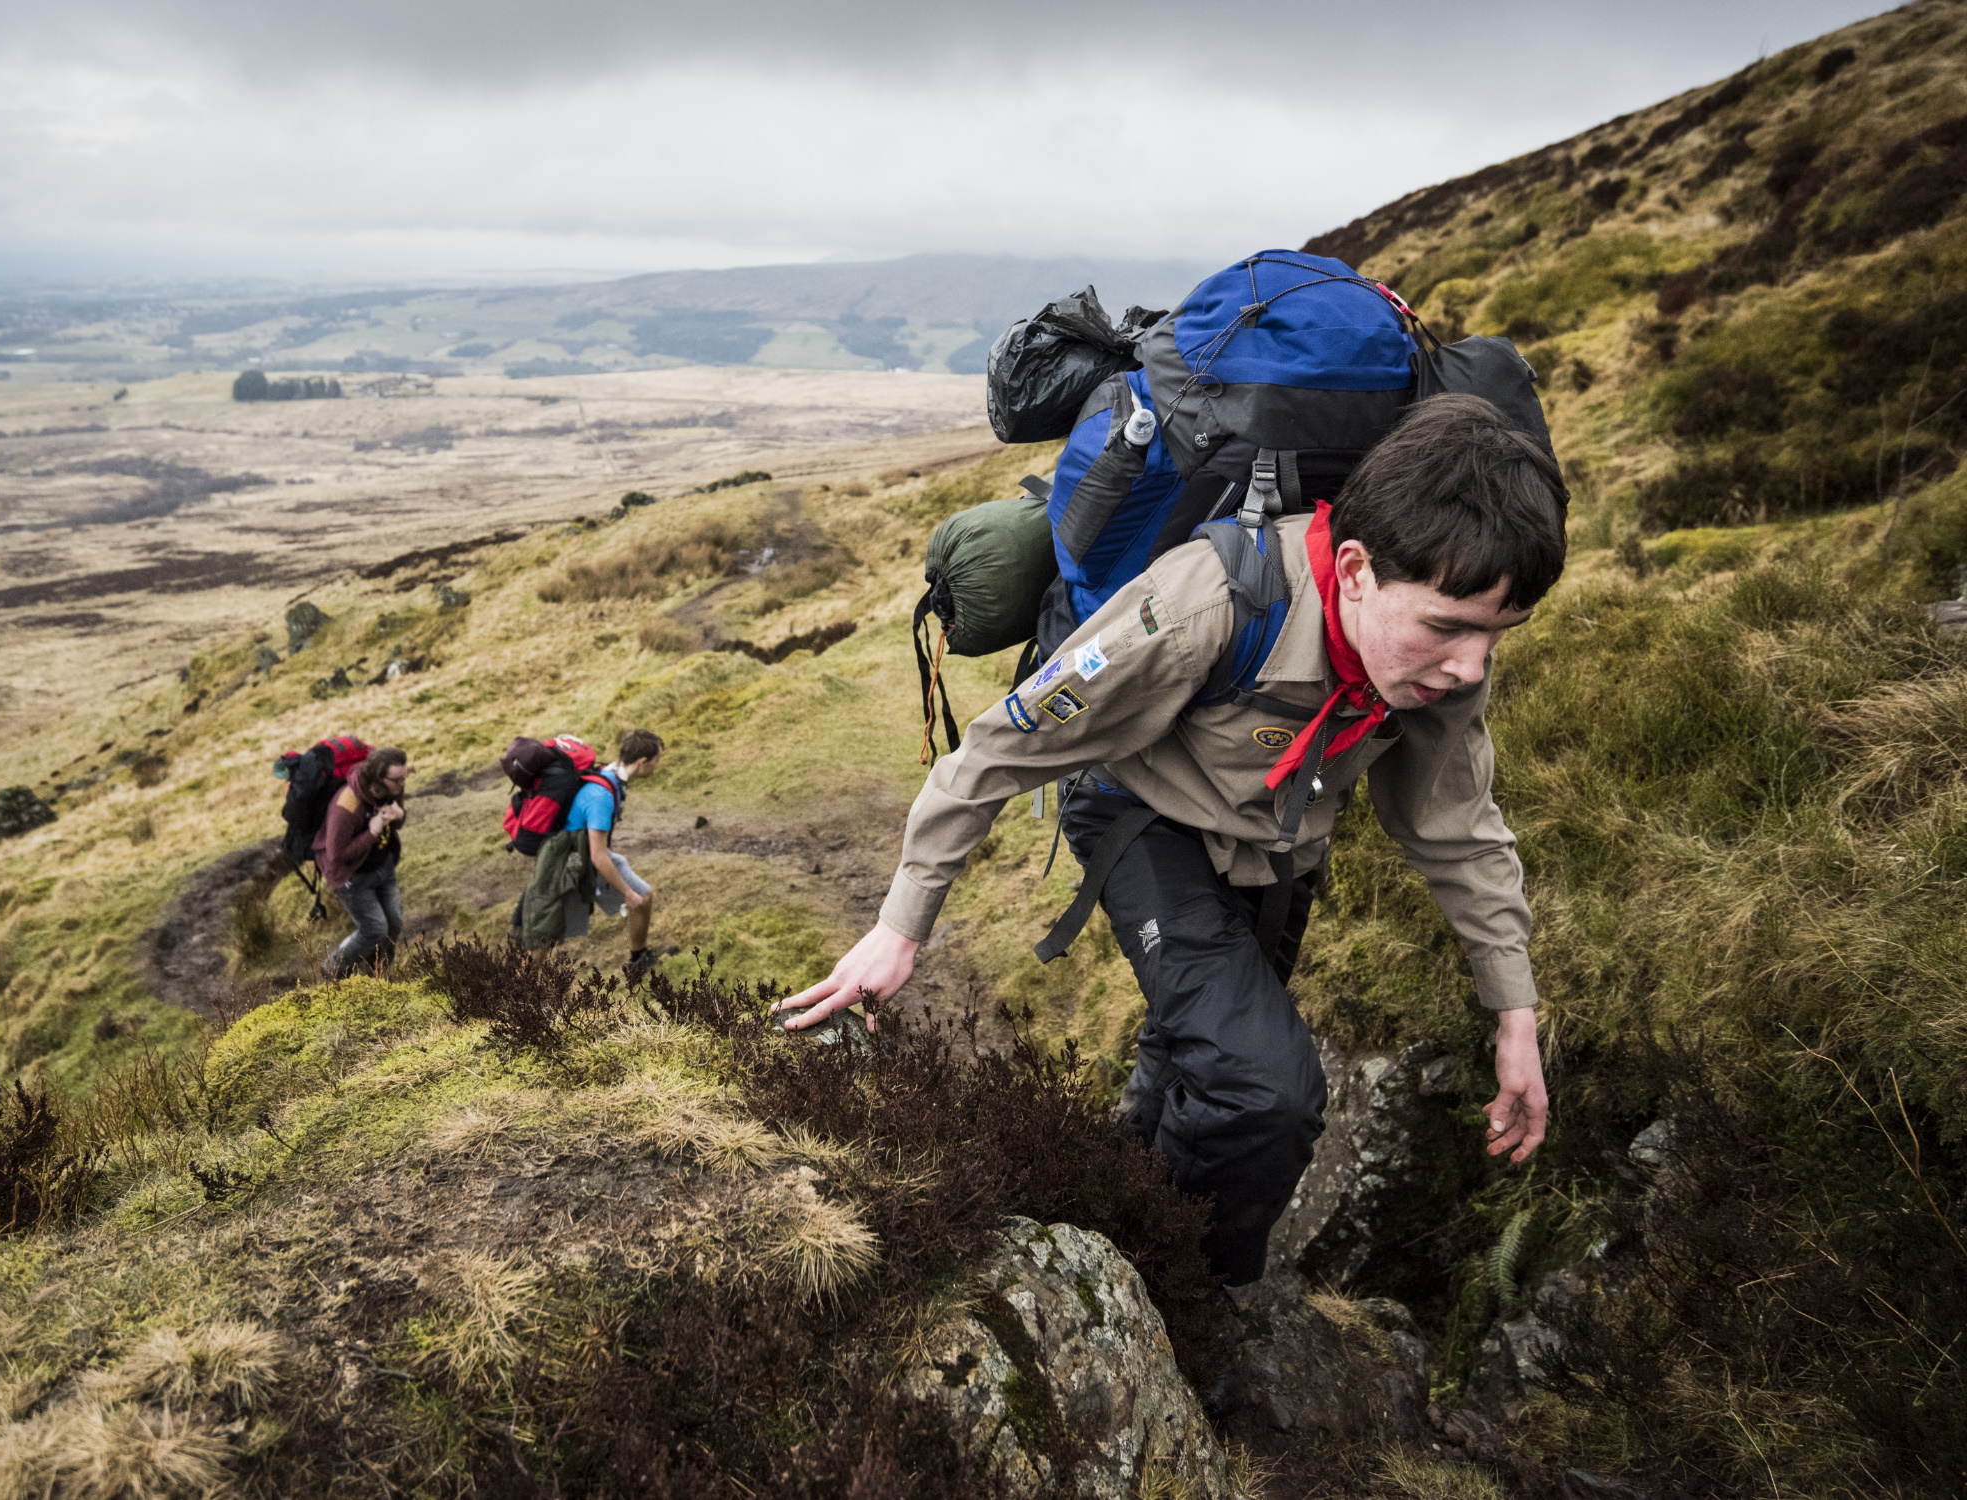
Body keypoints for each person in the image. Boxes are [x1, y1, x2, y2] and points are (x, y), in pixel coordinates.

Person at [776, 394, 1566, 1286]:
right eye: (1448, 627)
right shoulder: (1200, 607)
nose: (1470, 666)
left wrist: (1516, 1014)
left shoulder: (1441, 666)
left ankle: (1108, 1200)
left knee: (1199, 1054)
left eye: (1499, 634)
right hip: (1141, 817)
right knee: (1267, 1092)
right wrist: (901, 925)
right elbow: (999, 747)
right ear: (1353, 569)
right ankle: (1185, 1295)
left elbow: (1455, 826)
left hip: (1278, 848)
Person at [563, 728, 668, 981]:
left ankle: (638, 959)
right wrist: (626, 892)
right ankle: (520, 989)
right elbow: (598, 857)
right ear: (642, 762)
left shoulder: (609, 775)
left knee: (644, 895)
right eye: (655, 761)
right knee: (544, 935)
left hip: (582, 852)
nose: (657, 766)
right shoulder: (602, 795)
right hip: (572, 861)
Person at [314, 744, 409, 977]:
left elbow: (395, 820)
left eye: (405, 776)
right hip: (352, 877)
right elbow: (337, 856)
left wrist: (399, 816)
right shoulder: (346, 806)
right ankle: (335, 968)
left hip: (382, 867)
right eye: (397, 779)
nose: (402, 784)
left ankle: (376, 977)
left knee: (394, 924)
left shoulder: (392, 789)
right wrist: (372, 832)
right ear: (378, 778)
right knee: (374, 929)